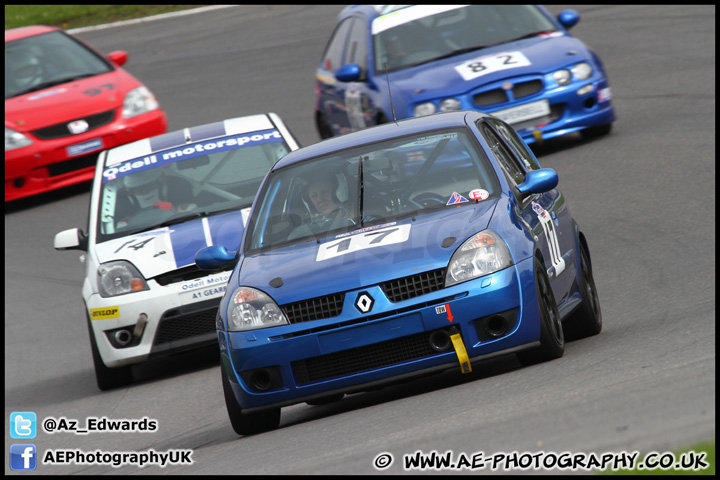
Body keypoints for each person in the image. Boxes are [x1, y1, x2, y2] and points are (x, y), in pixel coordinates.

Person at [115, 168, 196, 228]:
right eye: (138, 189)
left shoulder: (188, 210)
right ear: (130, 193)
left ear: (162, 183)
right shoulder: (125, 224)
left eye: (149, 186)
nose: (145, 191)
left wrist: (175, 214)